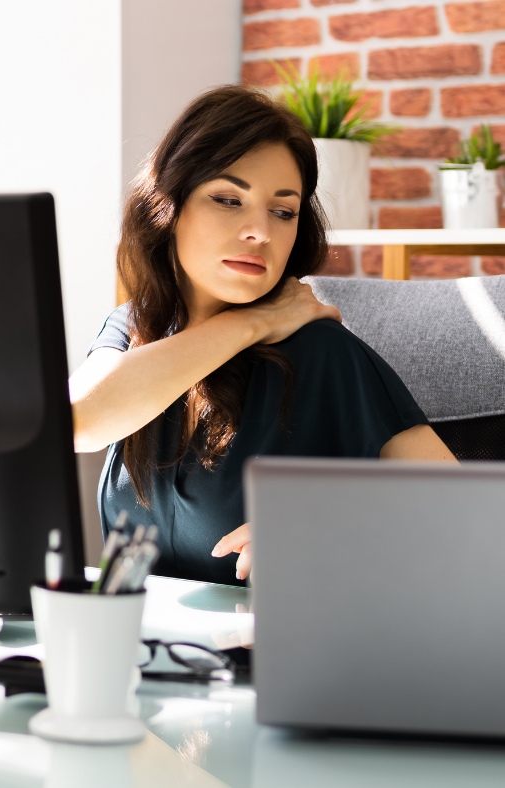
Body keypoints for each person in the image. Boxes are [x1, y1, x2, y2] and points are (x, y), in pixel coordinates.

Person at [69, 85, 456, 587]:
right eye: (229, 199)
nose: (260, 232)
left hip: (270, 656)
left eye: (283, 211)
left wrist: (327, 527)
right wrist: (250, 323)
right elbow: (80, 422)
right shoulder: (136, 326)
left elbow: (465, 515)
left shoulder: (321, 352)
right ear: (168, 204)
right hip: (141, 649)